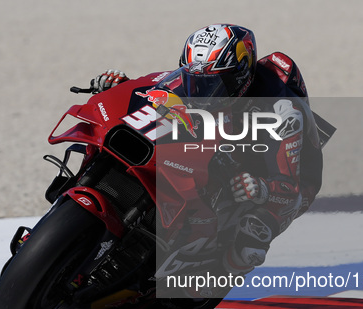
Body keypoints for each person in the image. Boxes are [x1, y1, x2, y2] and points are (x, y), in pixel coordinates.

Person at [91, 24, 323, 277]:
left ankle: (219, 278)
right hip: (224, 139)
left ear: (240, 75)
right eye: (195, 80)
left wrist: (262, 187)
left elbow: (290, 187)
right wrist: (121, 87)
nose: (203, 91)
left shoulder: (282, 112)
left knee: (253, 235)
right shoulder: (192, 76)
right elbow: (154, 91)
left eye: (216, 82)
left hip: (279, 174)